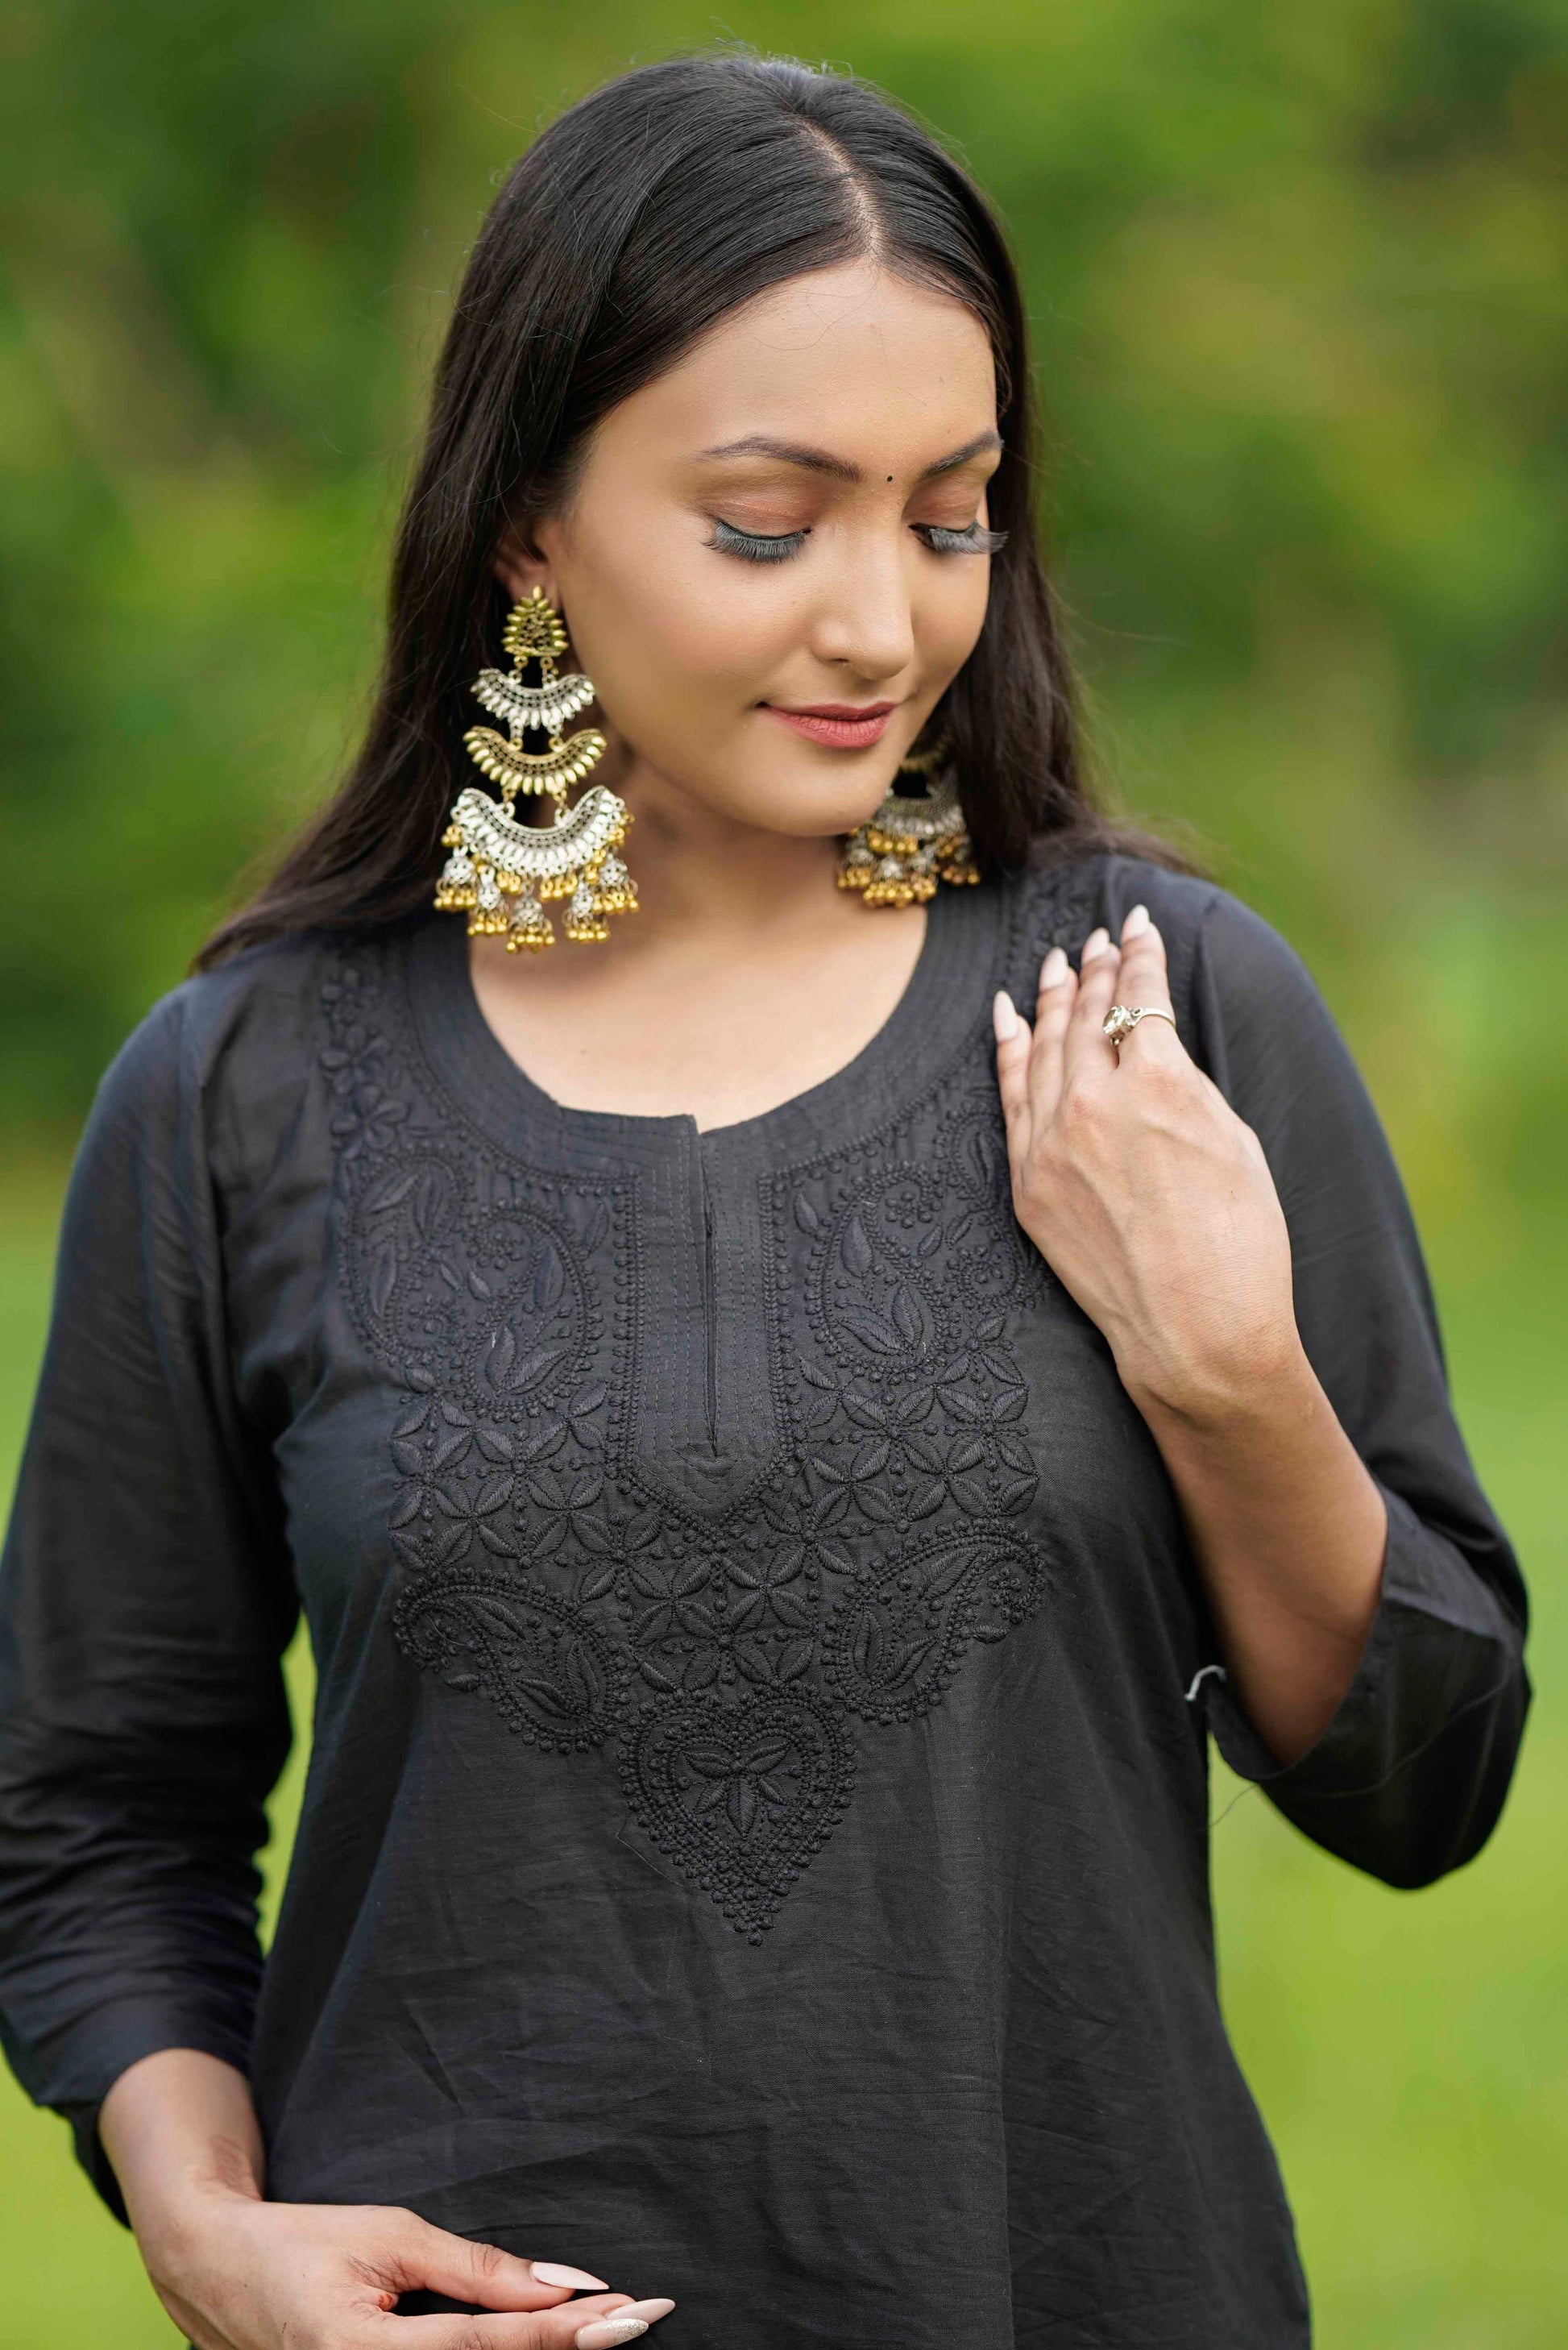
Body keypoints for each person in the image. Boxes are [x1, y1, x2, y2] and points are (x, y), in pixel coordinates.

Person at [0, 50, 1529, 2350]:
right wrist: (206, 2223)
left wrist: (1228, 1373)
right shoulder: (246, 1092)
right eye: (765, 522)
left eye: (948, 516)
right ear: (527, 524)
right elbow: (96, 1810)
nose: (879, 623)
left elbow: (1429, 1779)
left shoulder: (1154, 1016)